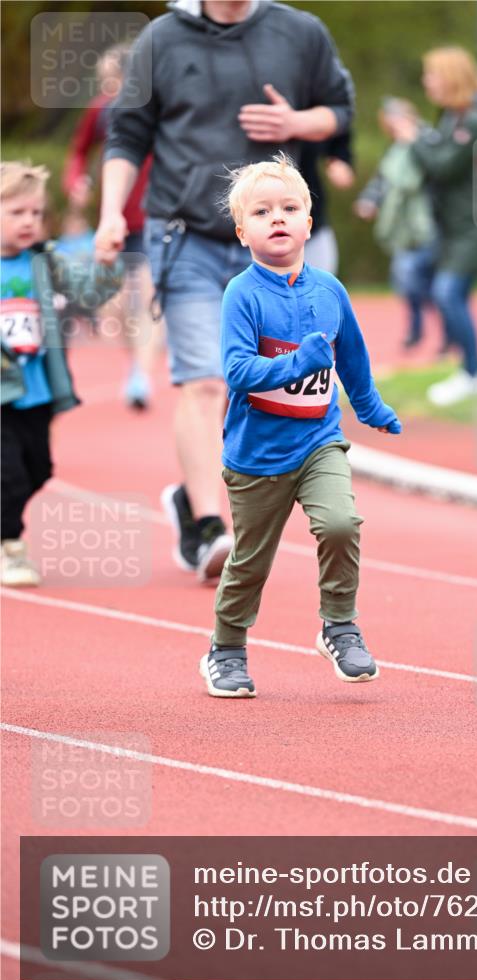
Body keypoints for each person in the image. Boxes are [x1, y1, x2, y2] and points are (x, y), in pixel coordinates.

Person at [94, 0, 354, 584]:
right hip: (186, 236)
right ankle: (211, 525)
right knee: (206, 378)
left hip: (273, 244)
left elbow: (340, 113)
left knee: (278, 388)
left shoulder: (300, 31)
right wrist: (112, 213)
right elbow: (127, 133)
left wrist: (298, 125)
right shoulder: (162, 37)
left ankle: (192, 501)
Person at [198, 155, 401, 698]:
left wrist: (372, 408)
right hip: (257, 455)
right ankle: (227, 648)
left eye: (290, 208)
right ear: (243, 232)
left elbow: (352, 359)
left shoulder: (329, 290)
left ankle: (339, 625)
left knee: (341, 523)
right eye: (263, 212)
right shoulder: (242, 294)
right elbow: (238, 372)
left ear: (309, 223)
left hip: (319, 441)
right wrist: (297, 363)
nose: (278, 218)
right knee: (250, 563)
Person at [1, 162, 123, 586]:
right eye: (16, 213)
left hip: (36, 389)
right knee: (9, 472)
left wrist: (107, 263)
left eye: (36, 213)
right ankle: (9, 546)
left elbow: (88, 293)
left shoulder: (45, 261)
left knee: (39, 469)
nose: (29, 222)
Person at [390, 46, 477, 406]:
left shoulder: (474, 119)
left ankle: (475, 374)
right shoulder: (454, 118)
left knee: (448, 292)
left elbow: (444, 167)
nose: (427, 82)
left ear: (450, 78)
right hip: (460, 226)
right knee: (448, 293)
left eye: (432, 75)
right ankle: (473, 371)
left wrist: (412, 140)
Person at [64, 43, 161, 408]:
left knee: (147, 301)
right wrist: (76, 183)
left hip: (154, 217)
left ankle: (142, 378)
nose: (109, 90)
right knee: (114, 308)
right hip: (115, 220)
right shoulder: (101, 111)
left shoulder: (157, 109)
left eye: (115, 81)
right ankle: (136, 361)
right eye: (105, 83)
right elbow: (78, 151)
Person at [354, 97, 438, 350]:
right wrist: (369, 201)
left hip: (430, 224)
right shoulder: (395, 150)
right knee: (405, 279)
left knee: (428, 284)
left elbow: (439, 171)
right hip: (403, 229)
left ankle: (448, 331)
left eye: (396, 121)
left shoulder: (430, 140)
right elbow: (382, 181)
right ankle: (416, 329)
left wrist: (414, 142)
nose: (393, 128)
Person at [301, 132, 355, 274]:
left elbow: (340, 124)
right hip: (250, 236)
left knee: (321, 286)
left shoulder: (310, 112)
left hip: (314, 222)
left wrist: (340, 158)